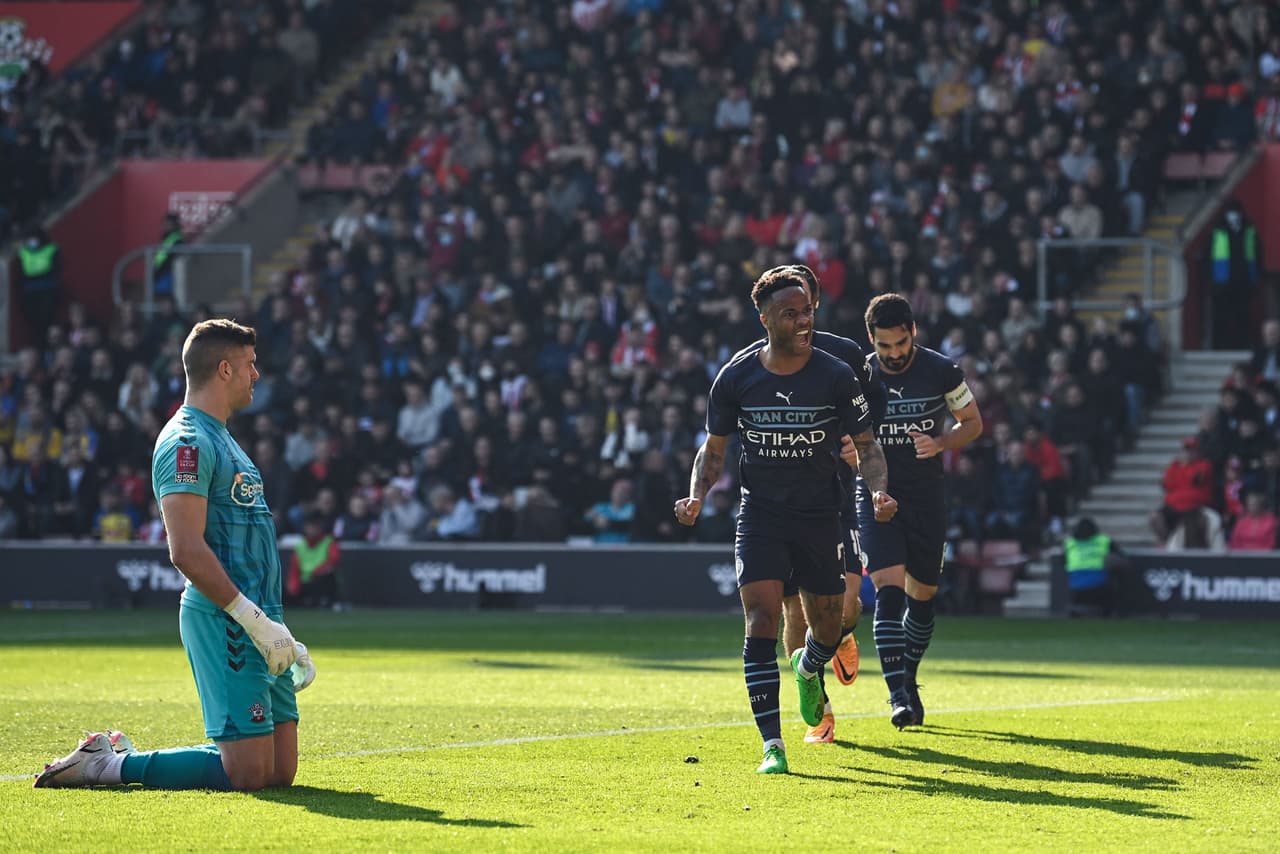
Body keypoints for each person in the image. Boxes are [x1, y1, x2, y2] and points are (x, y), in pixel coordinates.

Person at [34, 319, 315, 790]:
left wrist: (275, 626)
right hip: (226, 619)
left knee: (279, 771)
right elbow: (184, 548)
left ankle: (120, 753)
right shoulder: (187, 441)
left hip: (260, 616)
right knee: (247, 773)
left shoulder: (223, 437)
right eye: (250, 364)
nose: (257, 374)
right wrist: (252, 619)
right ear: (224, 369)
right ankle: (108, 765)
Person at [673, 266, 896, 774]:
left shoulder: (836, 373)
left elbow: (868, 445)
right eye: (790, 313)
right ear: (765, 319)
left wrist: (878, 489)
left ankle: (809, 667)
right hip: (762, 517)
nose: (803, 321)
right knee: (761, 621)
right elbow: (713, 449)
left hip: (821, 515)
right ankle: (772, 745)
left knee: (832, 624)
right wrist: (696, 496)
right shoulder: (736, 376)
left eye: (807, 311)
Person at [730, 264, 887, 745]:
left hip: (833, 498)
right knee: (792, 612)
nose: (802, 316)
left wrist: (854, 444)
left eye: (807, 305)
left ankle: (837, 638)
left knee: (847, 609)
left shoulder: (844, 355)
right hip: (777, 506)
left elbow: (874, 408)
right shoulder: (752, 365)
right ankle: (819, 706)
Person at [860, 293, 984, 729]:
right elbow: (843, 437)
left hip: (926, 496)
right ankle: (897, 694)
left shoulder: (942, 370)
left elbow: (973, 422)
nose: (894, 353)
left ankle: (909, 676)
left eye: (900, 343)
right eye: (884, 346)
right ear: (871, 339)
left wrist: (941, 443)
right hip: (876, 495)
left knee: (923, 598)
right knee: (888, 593)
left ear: (912, 332)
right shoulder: (859, 376)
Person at [1207, 201, 1261, 350]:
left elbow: (1257, 254)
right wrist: (1211, 281)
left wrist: (1256, 278)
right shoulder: (1217, 230)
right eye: (1231, 212)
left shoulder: (1249, 230)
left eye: (1236, 211)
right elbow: (1208, 257)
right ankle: (1221, 346)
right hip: (1222, 281)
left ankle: (1243, 344)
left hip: (1244, 281)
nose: (1234, 215)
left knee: (1243, 316)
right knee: (1222, 316)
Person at [1062, 517, 1127, 617]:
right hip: (1100, 586)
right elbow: (1121, 557)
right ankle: (1114, 610)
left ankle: (1074, 608)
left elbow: (1063, 561)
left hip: (1076, 587)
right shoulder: (1104, 540)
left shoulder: (1069, 543)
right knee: (1117, 570)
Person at [16, 226, 61, 345]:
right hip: (30, 294)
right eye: (29, 238)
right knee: (34, 323)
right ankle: (37, 344)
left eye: (34, 238)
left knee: (47, 321)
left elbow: (56, 268)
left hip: (48, 292)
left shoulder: (51, 249)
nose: (32, 241)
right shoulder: (24, 252)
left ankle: (48, 344)